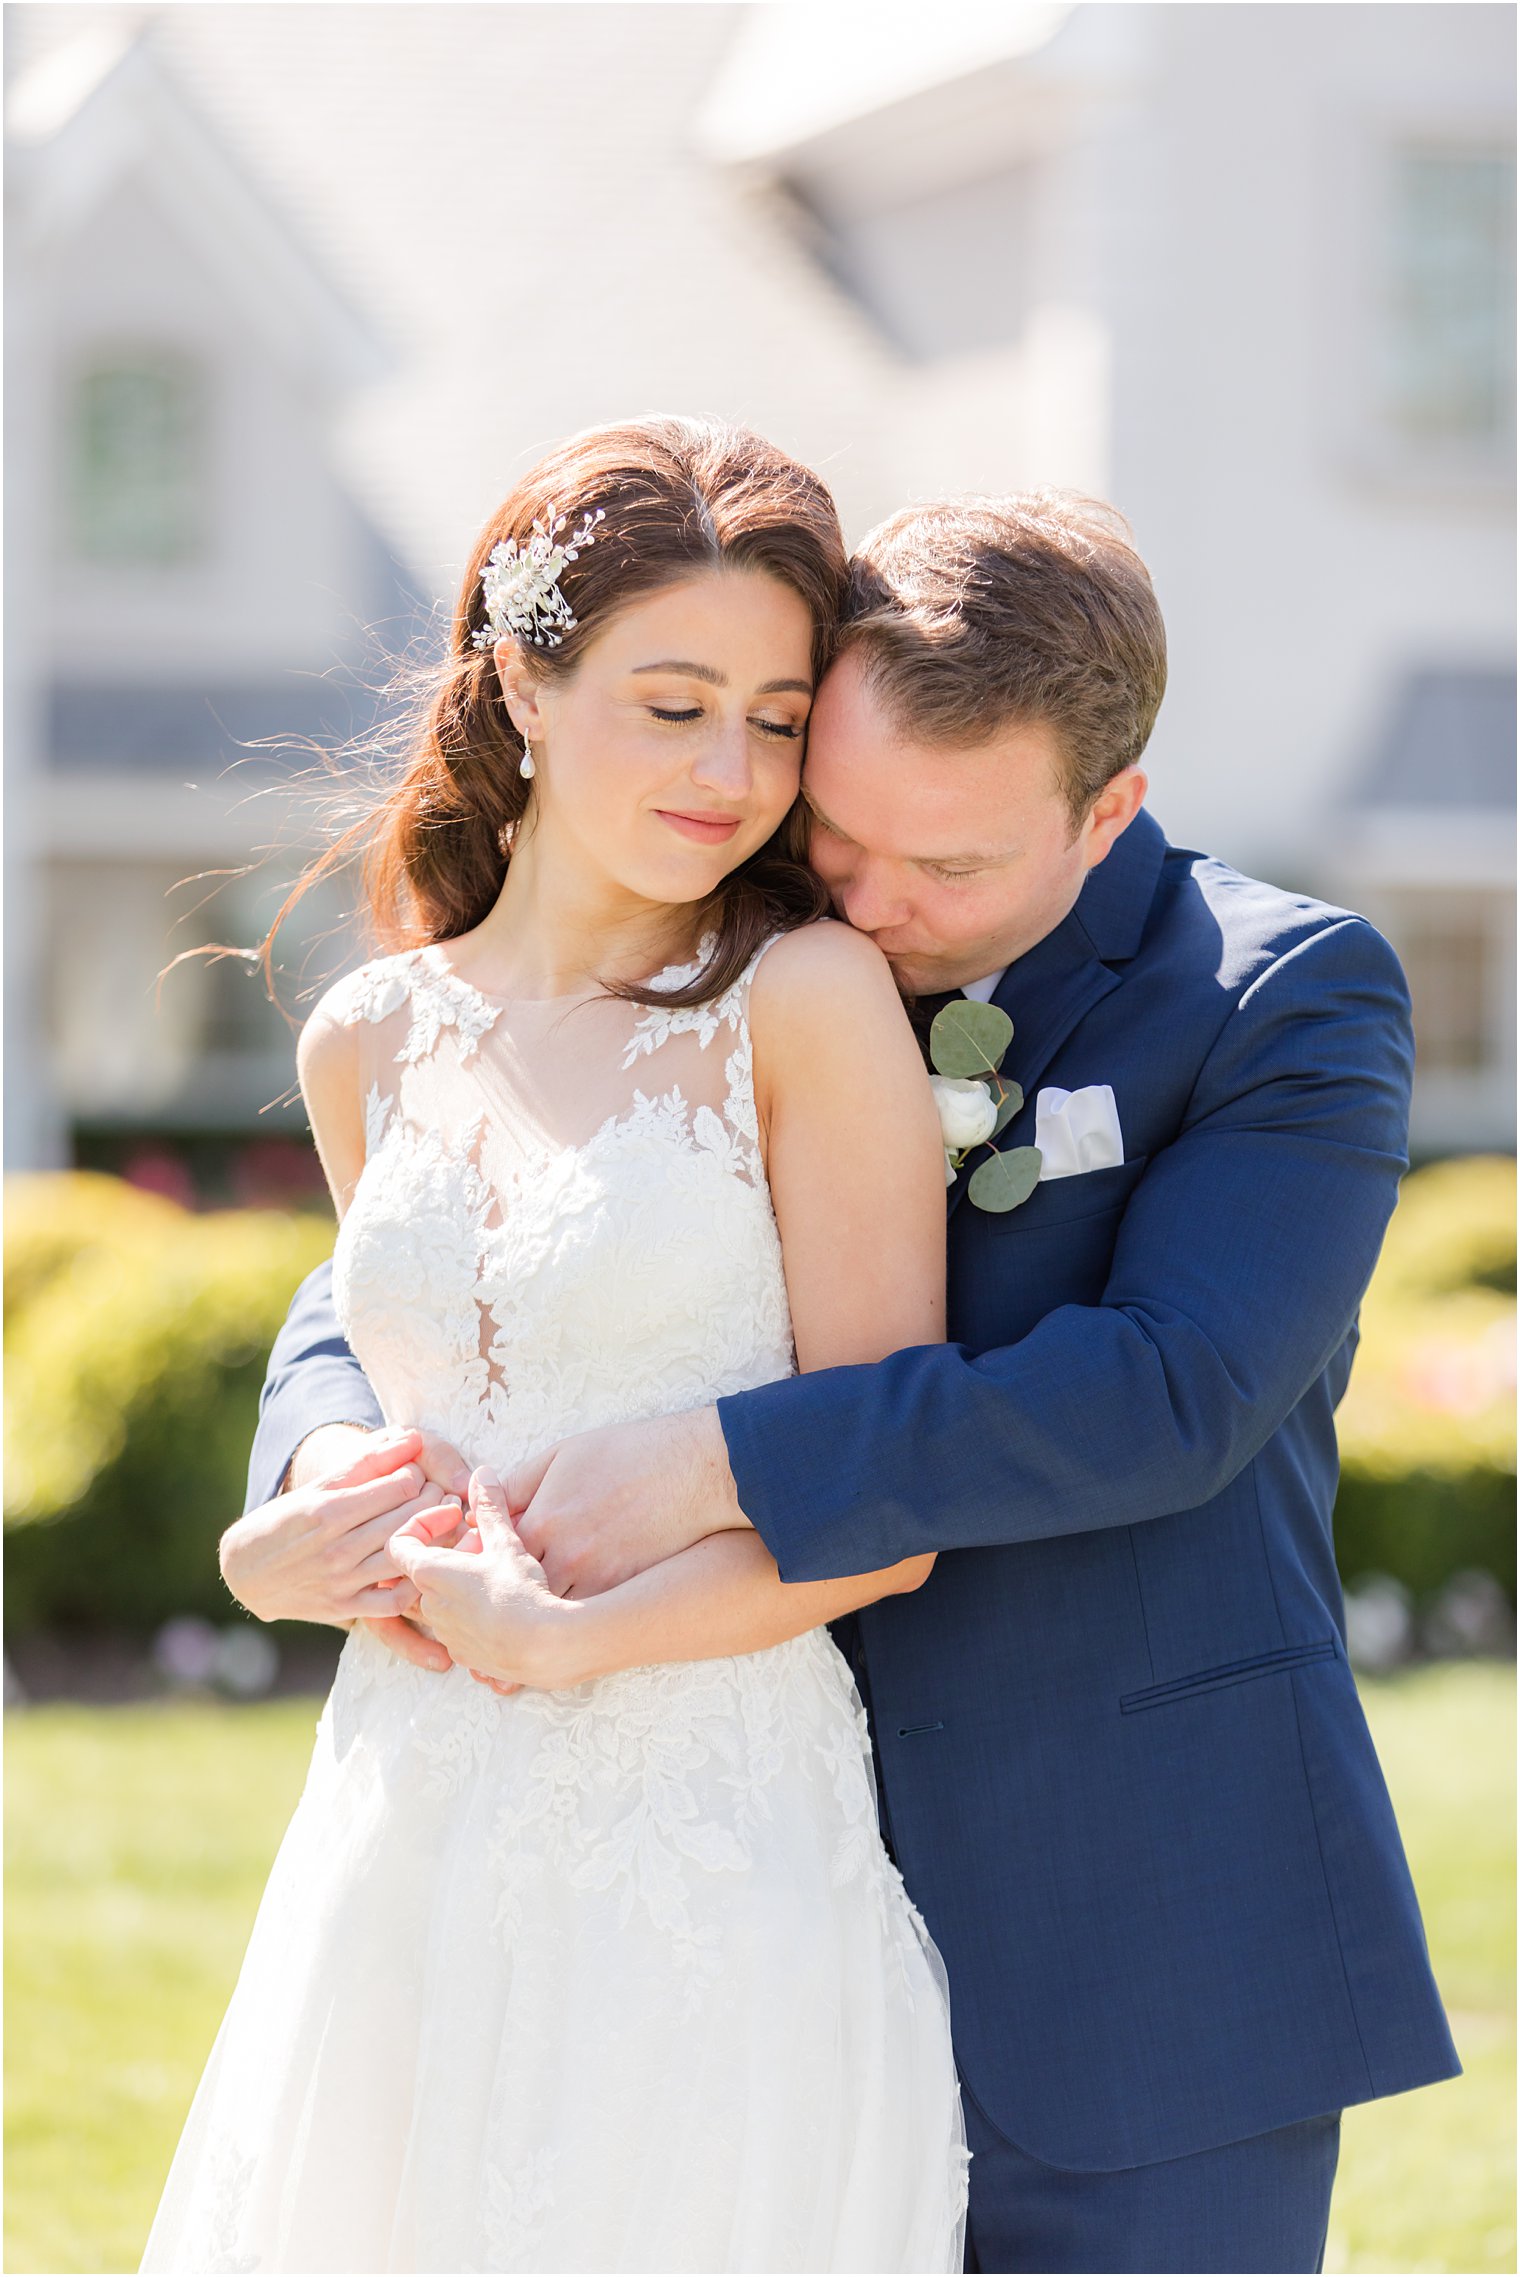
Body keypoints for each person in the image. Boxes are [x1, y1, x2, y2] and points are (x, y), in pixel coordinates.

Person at [238, 485, 1462, 2276]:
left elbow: (1174, 1390)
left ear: (1108, 804)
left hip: (1137, 1926)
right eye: (842, 838)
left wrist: (721, 1456)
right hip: (736, 1895)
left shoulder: (1277, 1000)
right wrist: (314, 1458)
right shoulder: (751, 928)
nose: (870, 906)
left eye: (947, 870)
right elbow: (472, 1225)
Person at [141, 417, 970, 2275]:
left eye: (775, 716)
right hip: (406, 1813)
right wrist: (278, 1544)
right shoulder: (365, 1036)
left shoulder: (808, 1003)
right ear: (522, 679)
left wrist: (579, 1638)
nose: (733, 770)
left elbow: (888, 1497)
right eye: (674, 703)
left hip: (709, 1821)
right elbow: (399, 1396)